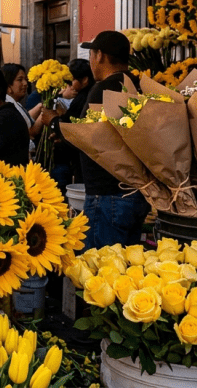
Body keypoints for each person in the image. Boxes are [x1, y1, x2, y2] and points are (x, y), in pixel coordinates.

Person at [76, 31, 148, 249]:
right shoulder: (137, 85)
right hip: (134, 194)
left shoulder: (104, 89)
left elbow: (85, 135)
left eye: (91, 55)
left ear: (99, 56)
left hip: (107, 197)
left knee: (101, 271)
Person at [40, 59, 94, 194]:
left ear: (85, 80)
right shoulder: (85, 95)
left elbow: (72, 127)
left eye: (72, 81)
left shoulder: (84, 97)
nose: (69, 86)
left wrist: (54, 122)